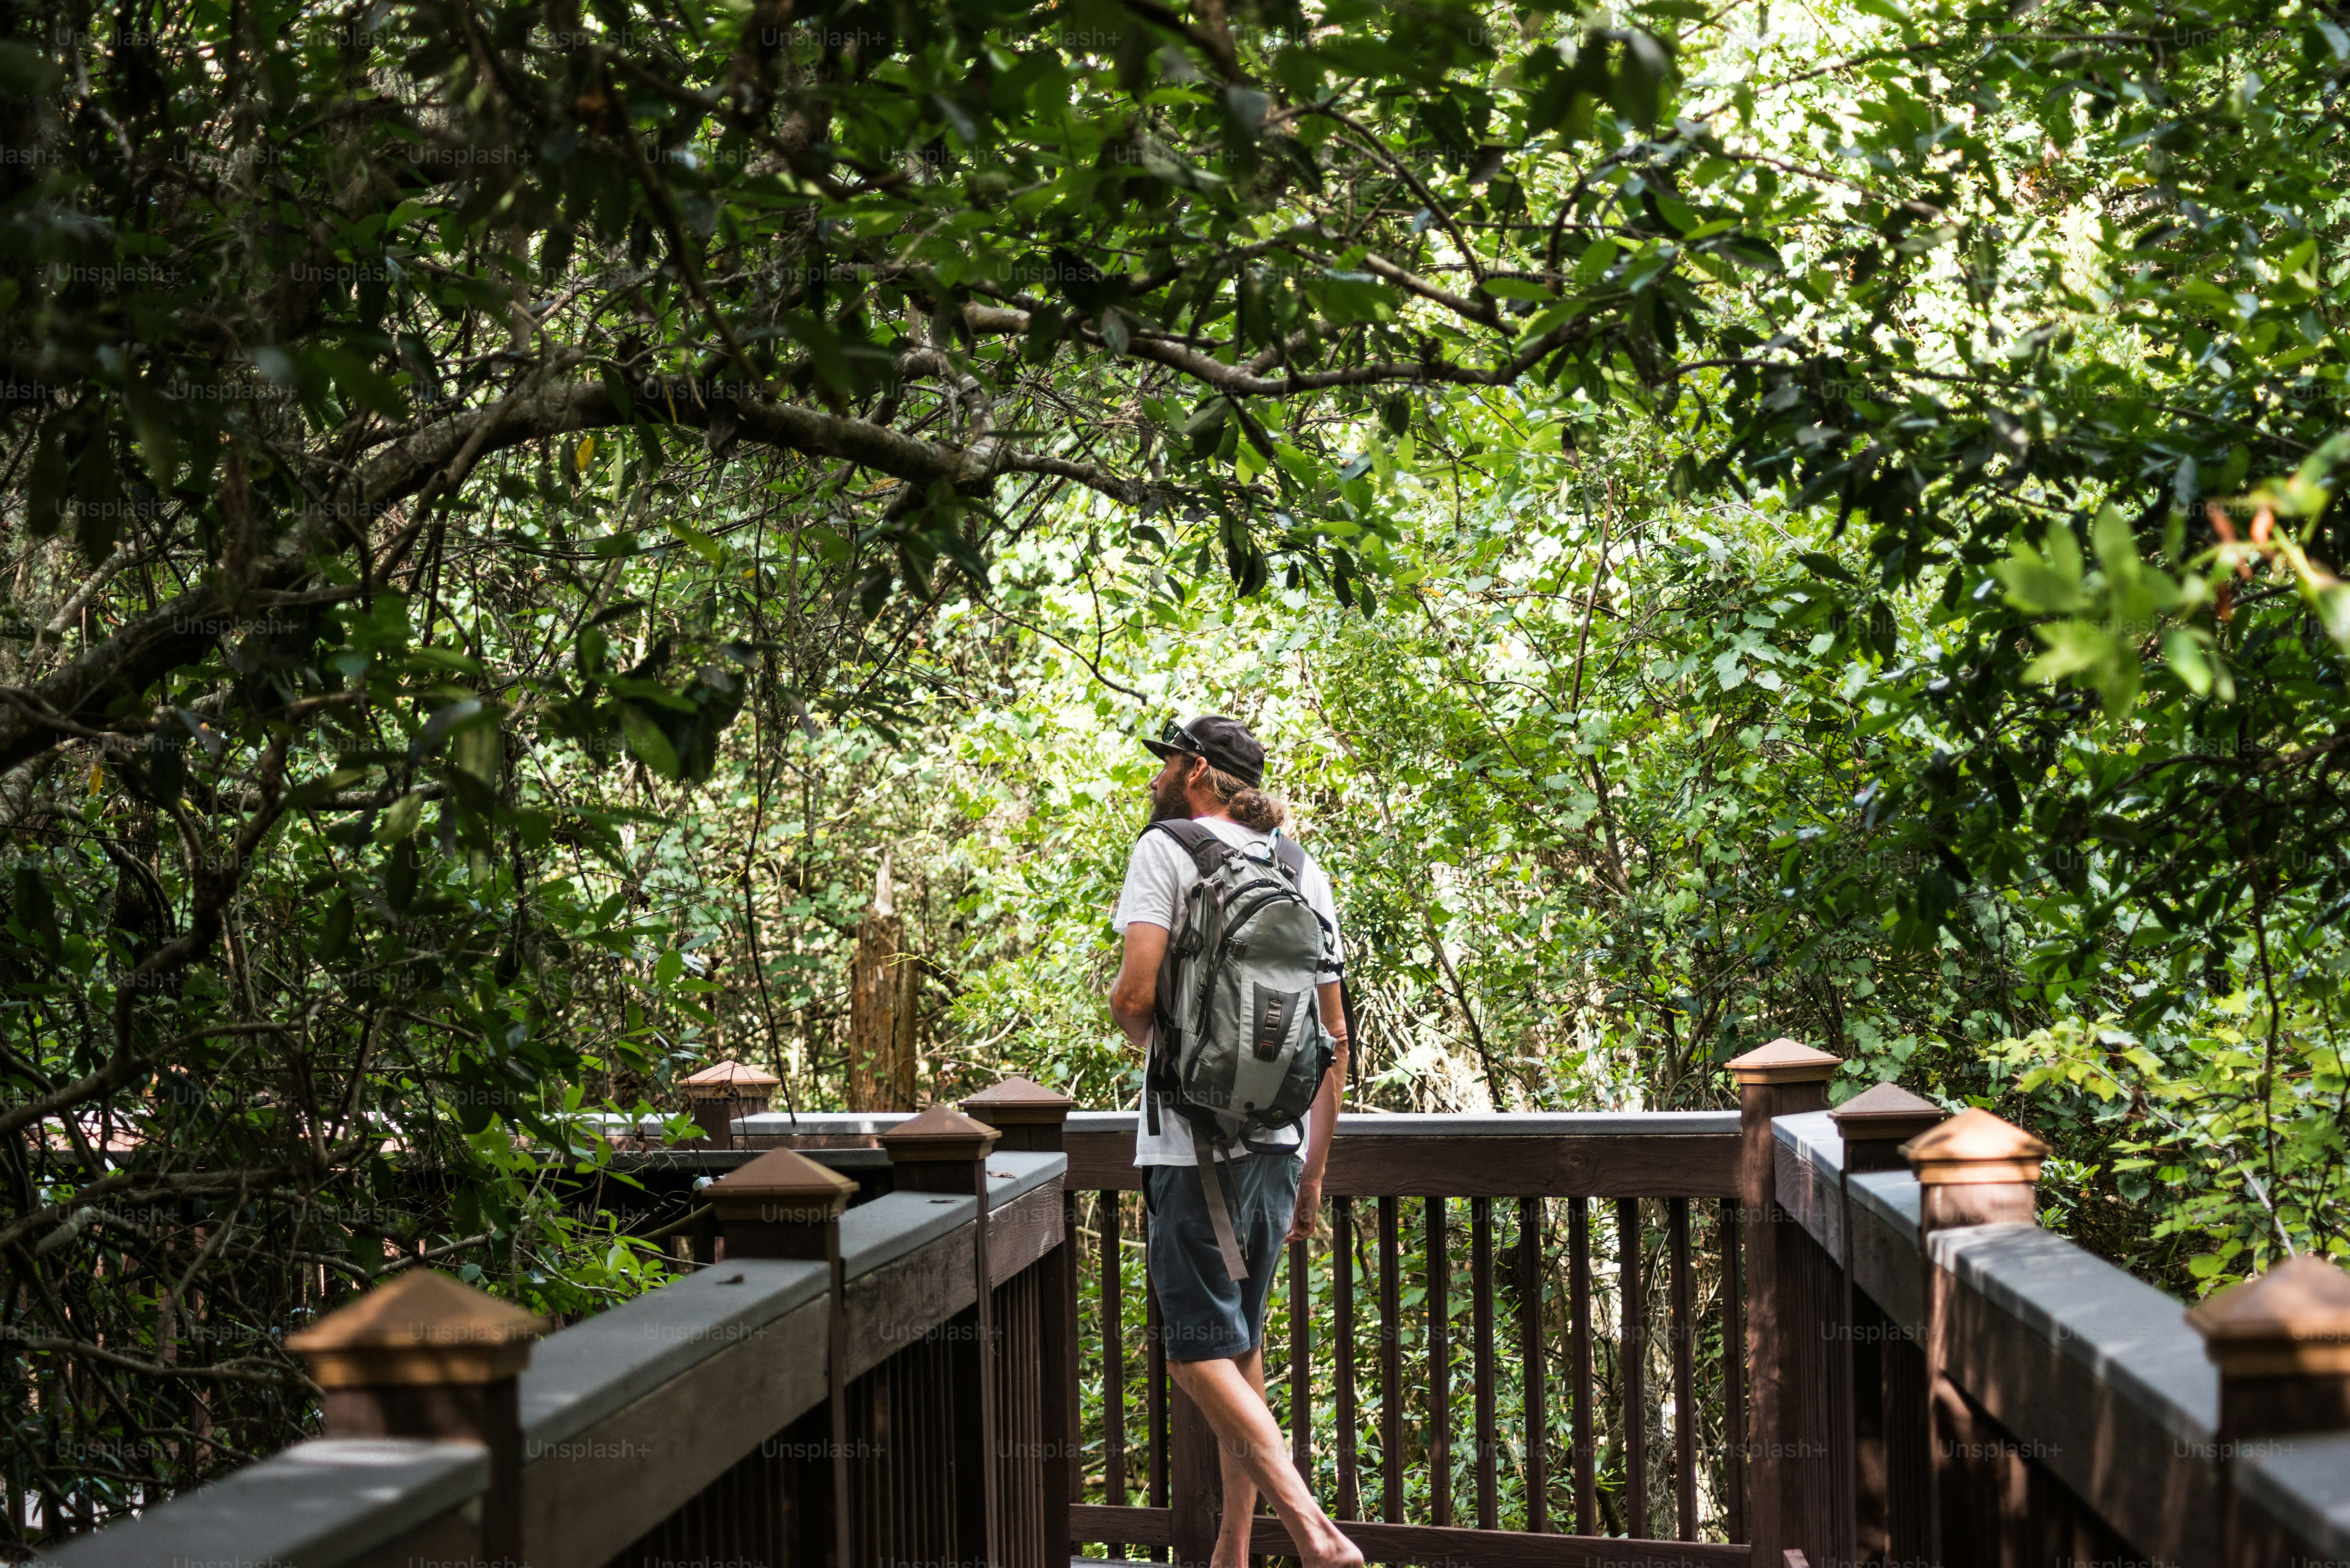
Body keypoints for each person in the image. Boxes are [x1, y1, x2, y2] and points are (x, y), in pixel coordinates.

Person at [1107, 714, 1363, 1568]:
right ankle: (1231, 1551)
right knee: (1237, 1349)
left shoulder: (1168, 852)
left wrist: (1178, 1067)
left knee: (1193, 1353)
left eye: (1167, 762)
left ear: (1194, 771)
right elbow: (1334, 1038)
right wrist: (1314, 1173)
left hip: (1190, 1148)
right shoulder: (1297, 866)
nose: (1157, 777)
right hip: (1280, 1146)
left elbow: (1135, 996)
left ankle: (1312, 1531)